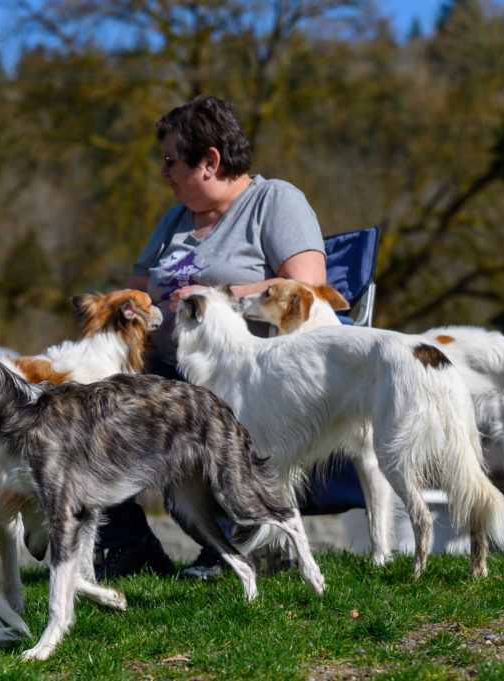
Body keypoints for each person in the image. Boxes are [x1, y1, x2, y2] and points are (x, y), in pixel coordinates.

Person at [93, 94, 328, 580]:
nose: (164, 173)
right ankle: (128, 545)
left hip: (240, 373)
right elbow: (136, 292)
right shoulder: (174, 221)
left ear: (210, 161)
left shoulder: (273, 202)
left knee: (182, 417)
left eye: (171, 161)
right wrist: (128, 309)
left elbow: (306, 288)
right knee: (84, 404)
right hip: (164, 369)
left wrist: (214, 296)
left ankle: (233, 547)